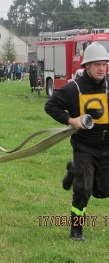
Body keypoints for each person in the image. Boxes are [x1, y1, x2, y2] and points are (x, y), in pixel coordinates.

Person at [44, 42, 109, 241]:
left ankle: (74, 171)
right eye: (96, 64)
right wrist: (71, 120)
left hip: (106, 146)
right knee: (83, 190)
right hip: (84, 147)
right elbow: (51, 106)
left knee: (102, 190)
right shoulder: (74, 88)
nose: (101, 68)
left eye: (104, 64)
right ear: (86, 66)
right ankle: (76, 229)